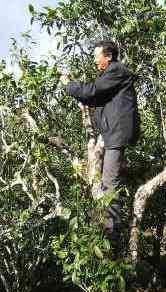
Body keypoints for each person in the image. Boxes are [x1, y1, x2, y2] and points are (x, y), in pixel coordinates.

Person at [60, 40, 140, 236]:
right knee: (106, 177)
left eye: (97, 56)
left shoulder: (116, 71)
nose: (95, 60)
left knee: (108, 182)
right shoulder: (111, 74)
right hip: (112, 133)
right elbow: (93, 96)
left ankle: (110, 232)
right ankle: (111, 225)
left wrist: (69, 84)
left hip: (117, 134)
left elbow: (92, 91)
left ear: (109, 56)